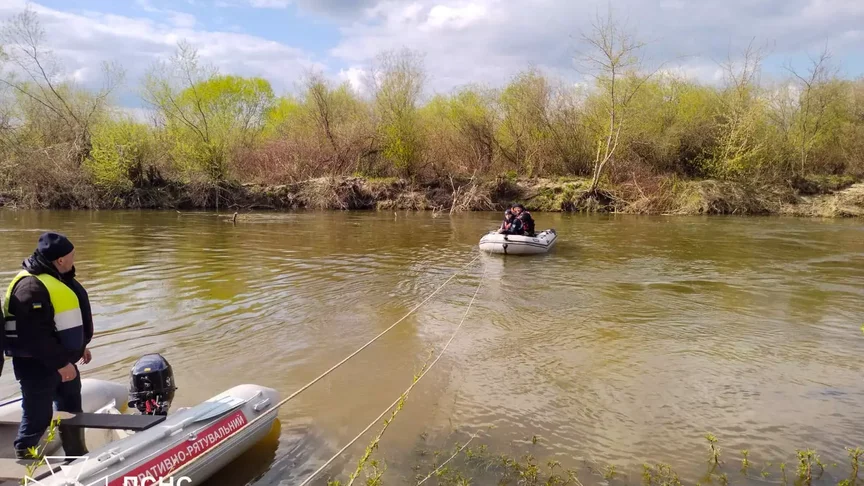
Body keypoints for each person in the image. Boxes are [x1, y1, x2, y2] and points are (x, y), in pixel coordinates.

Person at [3, 232, 93, 458]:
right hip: (37, 366)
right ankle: (25, 453)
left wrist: (80, 346)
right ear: (60, 260)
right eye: (72, 255)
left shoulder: (59, 277)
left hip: (63, 360)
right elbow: (35, 336)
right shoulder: (30, 287)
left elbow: (64, 319)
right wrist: (61, 363)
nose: (75, 258)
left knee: (72, 409)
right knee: (38, 414)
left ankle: (76, 454)